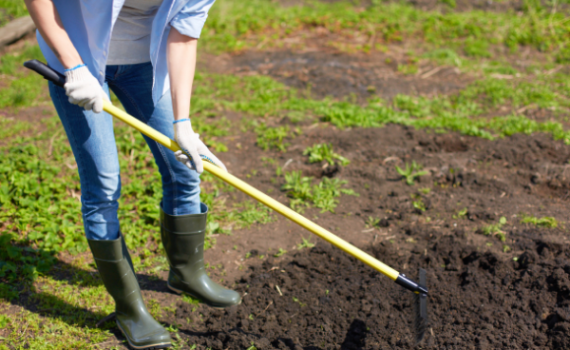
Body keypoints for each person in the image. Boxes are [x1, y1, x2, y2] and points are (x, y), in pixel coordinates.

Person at [24, 1, 240, 349]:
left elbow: (184, 35)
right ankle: (129, 309)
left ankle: (187, 274)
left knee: (183, 168)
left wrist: (183, 123)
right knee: (104, 185)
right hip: (77, 56)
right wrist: (74, 67)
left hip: (143, 63)